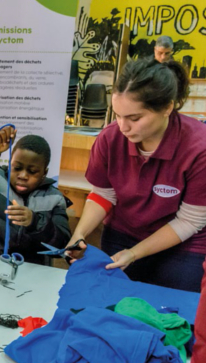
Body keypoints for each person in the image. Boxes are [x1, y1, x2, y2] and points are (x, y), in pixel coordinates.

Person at [66, 58, 206, 292]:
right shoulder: (110, 138)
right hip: (125, 231)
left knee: (173, 310)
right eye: (118, 115)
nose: (123, 126)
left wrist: (135, 254)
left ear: (167, 108)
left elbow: (189, 221)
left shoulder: (198, 148)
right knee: (111, 300)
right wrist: (79, 234)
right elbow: (103, 194)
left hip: (184, 243)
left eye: (134, 118)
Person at [0, 126, 71, 264]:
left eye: (32, 171)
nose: (23, 176)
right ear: (9, 163)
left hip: (30, 273)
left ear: (44, 173)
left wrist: (35, 222)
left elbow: (61, 245)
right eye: (17, 168)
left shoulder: (54, 198)